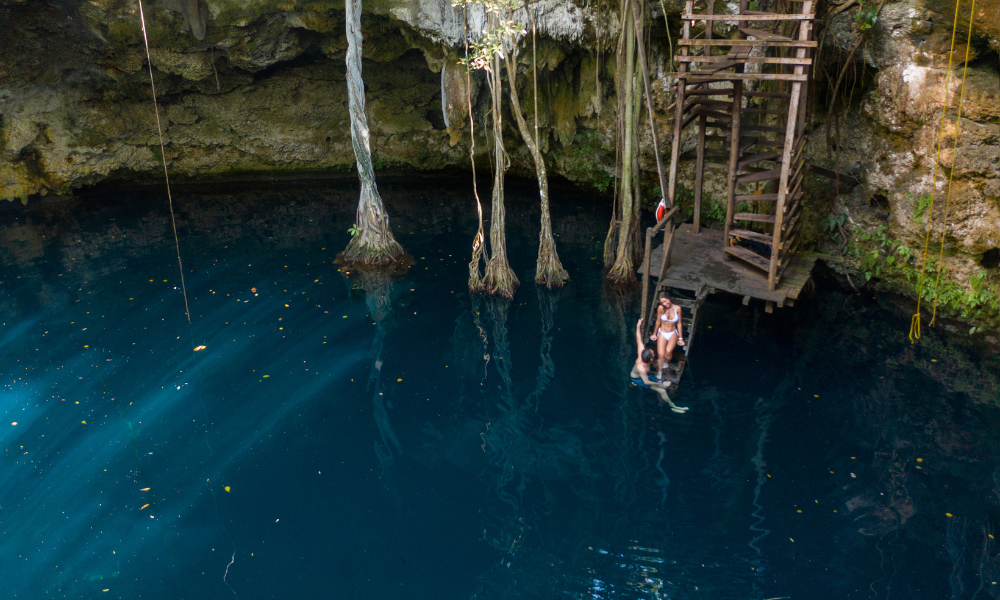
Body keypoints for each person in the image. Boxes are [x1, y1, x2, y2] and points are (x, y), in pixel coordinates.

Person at [632, 318, 688, 413]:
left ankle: (633, 384)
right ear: (650, 359)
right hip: (639, 379)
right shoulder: (642, 368)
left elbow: (638, 339)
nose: (653, 352)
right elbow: (646, 382)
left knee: (661, 381)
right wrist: (661, 384)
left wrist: (638, 325)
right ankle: (673, 406)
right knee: (662, 390)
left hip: (643, 376)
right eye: (652, 353)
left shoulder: (642, 352)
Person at [650, 292, 684, 380]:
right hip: (662, 332)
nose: (665, 304)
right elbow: (658, 321)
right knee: (661, 354)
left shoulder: (677, 308)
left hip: (673, 332)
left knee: (668, 352)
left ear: (669, 298)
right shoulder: (661, 308)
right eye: (662, 303)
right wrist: (654, 333)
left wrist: (680, 338)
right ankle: (660, 371)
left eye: (665, 301)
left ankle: (666, 362)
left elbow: (679, 323)